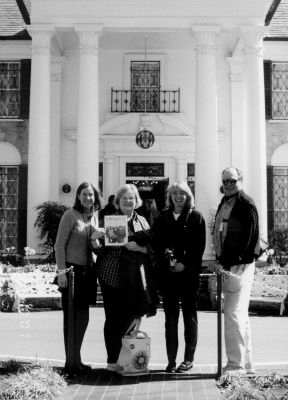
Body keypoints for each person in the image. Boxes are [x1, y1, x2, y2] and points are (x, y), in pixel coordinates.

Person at [91, 184, 157, 373]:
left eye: (132, 198)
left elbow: (152, 250)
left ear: (137, 202)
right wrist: (94, 239)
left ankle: (127, 360)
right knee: (112, 319)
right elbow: (100, 250)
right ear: (118, 202)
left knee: (133, 317)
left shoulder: (143, 222)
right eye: (124, 198)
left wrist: (141, 248)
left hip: (135, 278)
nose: (129, 201)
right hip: (111, 276)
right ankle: (113, 361)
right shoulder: (112, 221)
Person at [153, 181, 206, 373]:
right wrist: (164, 255)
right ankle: (171, 360)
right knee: (170, 319)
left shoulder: (196, 217)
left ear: (188, 195)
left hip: (188, 275)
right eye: (174, 193)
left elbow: (199, 247)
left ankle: (188, 359)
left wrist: (185, 264)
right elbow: (156, 243)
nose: (178, 196)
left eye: (182, 193)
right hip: (168, 276)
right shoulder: (162, 217)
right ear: (169, 196)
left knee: (189, 317)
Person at [212, 167, 260, 374]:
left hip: (238, 266)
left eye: (232, 180)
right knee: (239, 314)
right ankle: (246, 363)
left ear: (241, 179)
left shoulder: (246, 203)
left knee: (232, 314)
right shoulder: (225, 201)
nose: (228, 184)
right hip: (228, 264)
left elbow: (249, 238)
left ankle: (235, 364)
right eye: (225, 181)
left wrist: (229, 262)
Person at [54, 181, 102, 374]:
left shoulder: (94, 217)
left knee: (83, 318)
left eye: (91, 195)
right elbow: (59, 246)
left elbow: (93, 246)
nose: (88, 198)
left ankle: (78, 359)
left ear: (95, 197)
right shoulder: (70, 215)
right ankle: (70, 363)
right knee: (71, 319)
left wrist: (96, 240)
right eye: (84, 194)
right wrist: (62, 273)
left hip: (87, 273)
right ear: (78, 196)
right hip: (71, 273)